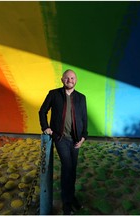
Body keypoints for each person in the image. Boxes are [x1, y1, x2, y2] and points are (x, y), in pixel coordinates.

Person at [39, 69, 88, 215]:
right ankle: (66, 202)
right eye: (67, 78)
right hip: (61, 138)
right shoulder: (53, 94)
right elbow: (42, 111)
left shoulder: (81, 97)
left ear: (76, 80)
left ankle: (71, 197)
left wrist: (84, 137)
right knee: (67, 167)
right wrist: (46, 127)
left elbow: (84, 119)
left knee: (72, 170)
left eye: (72, 78)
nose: (70, 80)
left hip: (76, 140)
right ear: (62, 80)